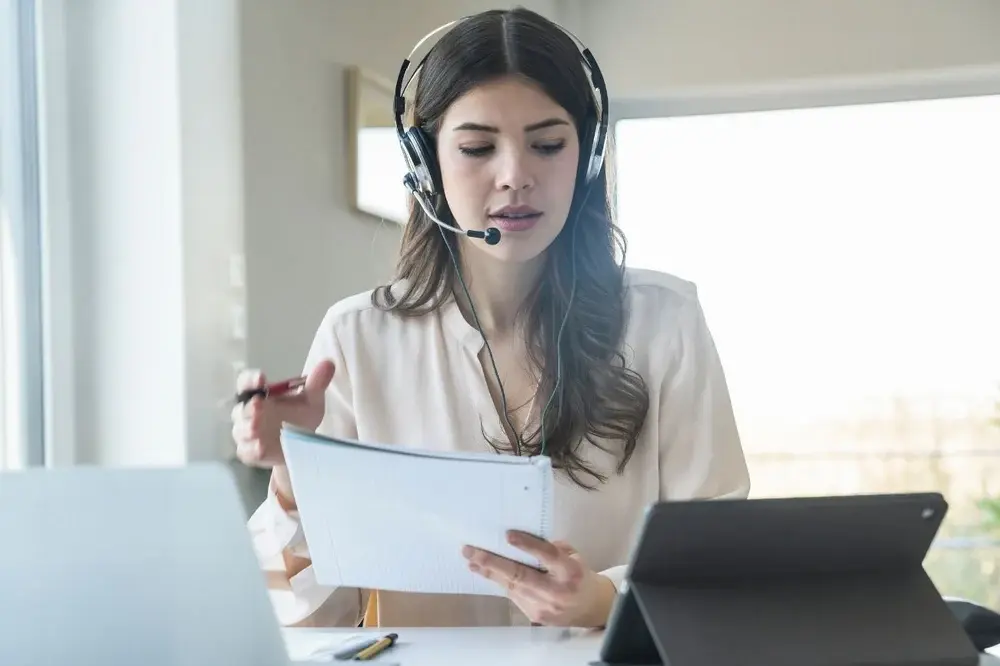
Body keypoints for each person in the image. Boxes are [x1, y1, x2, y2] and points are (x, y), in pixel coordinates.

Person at [231, 7, 750, 630]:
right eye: (477, 148)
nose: (515, 177)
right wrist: (293, 475)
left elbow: (717, 567)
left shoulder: (665, 322)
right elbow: (306, 621)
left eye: (548, 145)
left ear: (587, 157)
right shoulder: (356, 339)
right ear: (426, 164)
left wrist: (602, 601)